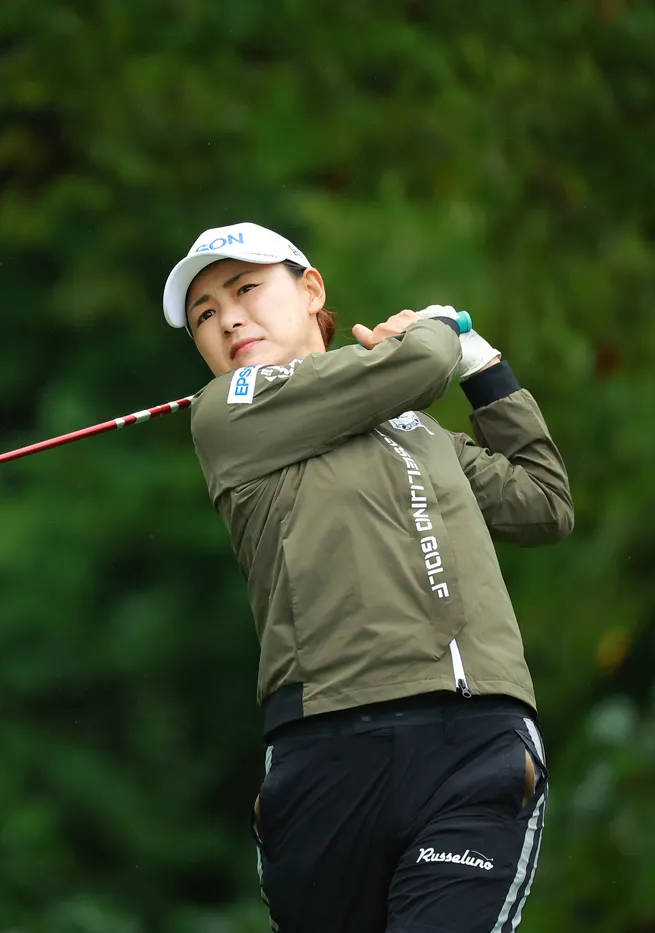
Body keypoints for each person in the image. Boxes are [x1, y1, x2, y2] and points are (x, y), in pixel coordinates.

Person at [161, 222, 574, 932]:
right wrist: (438, 331)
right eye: (204, 314)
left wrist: (482, 364)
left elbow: (544, 502)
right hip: (325, 752)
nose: (227, 318)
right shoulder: (228, 411)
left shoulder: (417, 428)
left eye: (246, 289)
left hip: (473, 748)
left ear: (311, 289)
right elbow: (423, 359)